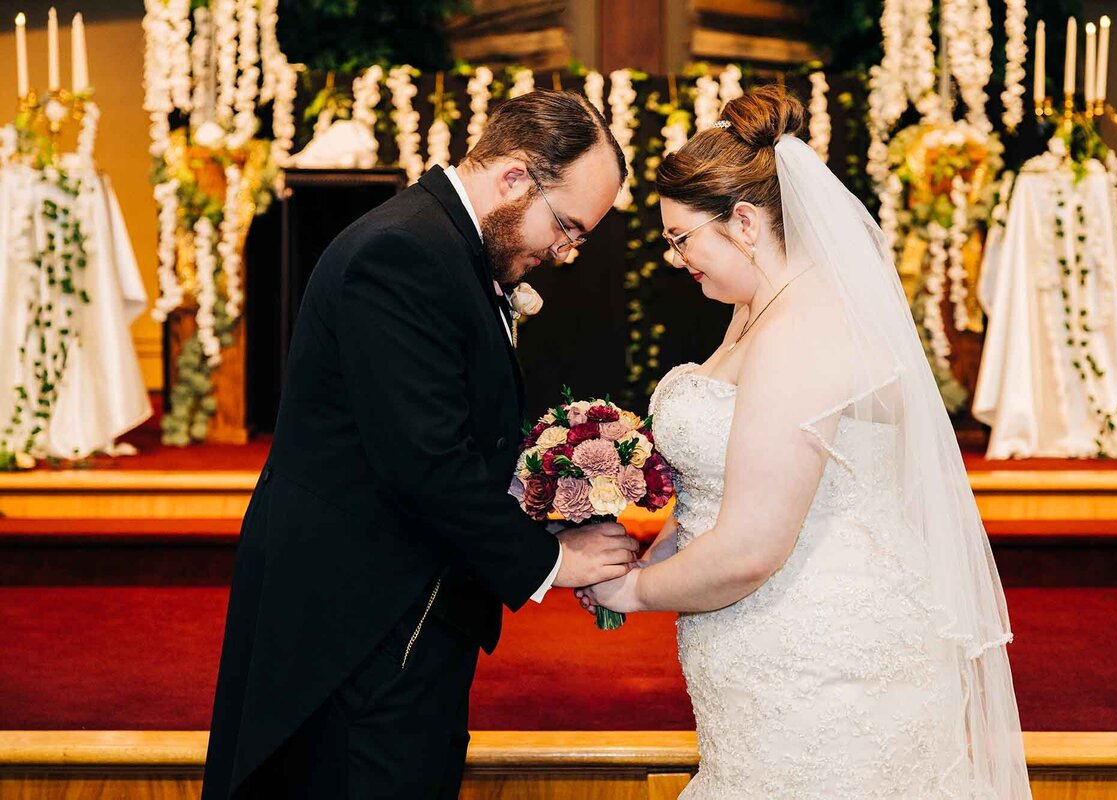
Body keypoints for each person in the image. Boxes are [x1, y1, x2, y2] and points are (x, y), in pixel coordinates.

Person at [580, 86, 1033, 798]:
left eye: (681, 238)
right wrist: (652, 544)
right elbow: (727, 484)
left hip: (821, 657)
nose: (675, 258)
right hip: (765, 653)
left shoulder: (801, 332)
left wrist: (633, 590)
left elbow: (754, 546)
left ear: (746, 221)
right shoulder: (759, 308)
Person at [203, 90, 639, 799]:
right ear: (514, 179)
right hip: (360, 624)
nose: (564, 254)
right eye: (566, 229)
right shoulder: (402, 251)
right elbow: (424, 461)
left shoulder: (446, 245)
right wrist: (552, 560)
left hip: (403, 603)